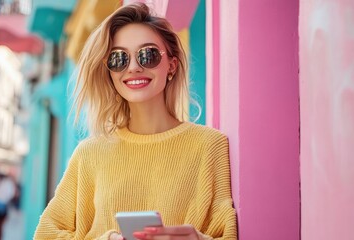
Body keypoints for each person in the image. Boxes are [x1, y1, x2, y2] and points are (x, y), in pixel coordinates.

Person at [34, 3, 237, 240]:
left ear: (171, 64)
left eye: (147, 55)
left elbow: (227, 234)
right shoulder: (89, 154)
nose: (133, 68)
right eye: (119, 58)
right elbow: (45, 234)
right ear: (110, 72)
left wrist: (198, 239)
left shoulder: (210, 146)